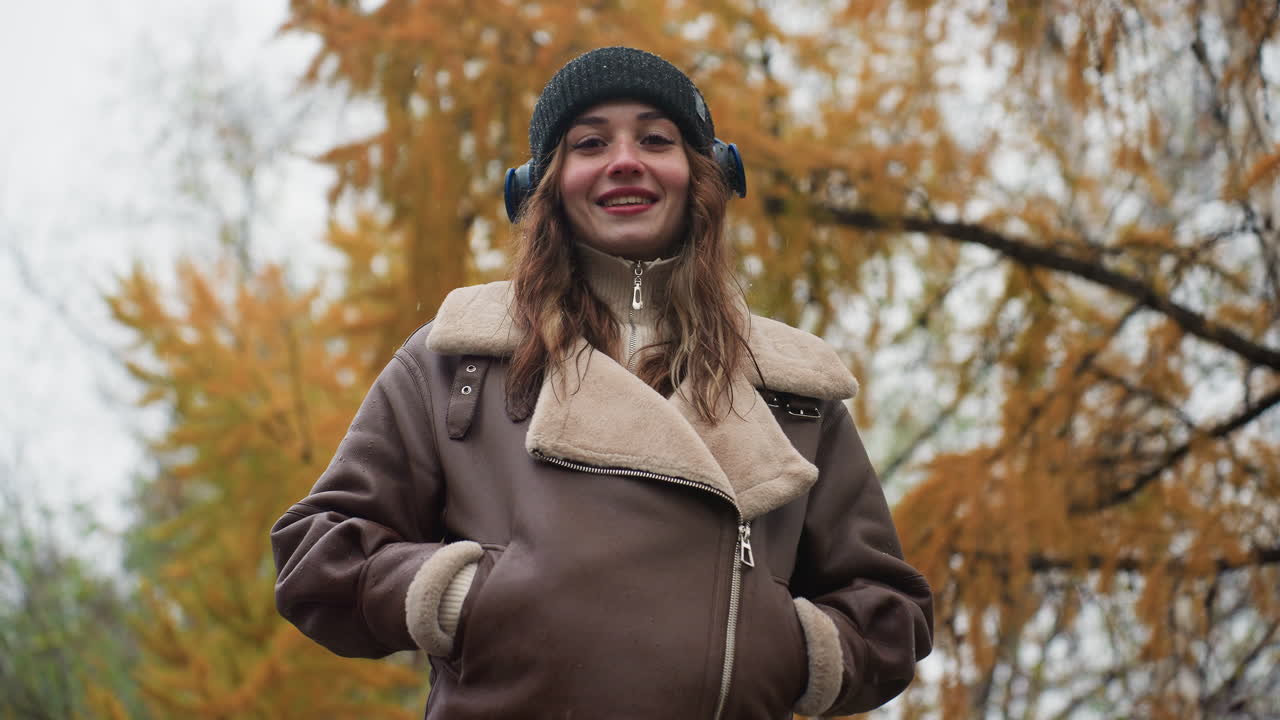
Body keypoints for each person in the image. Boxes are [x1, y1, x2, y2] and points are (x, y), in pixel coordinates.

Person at [272, 46, 933, 720]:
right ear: (545, 182)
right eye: (590, 143)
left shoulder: (791, 387)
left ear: (705, 174)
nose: (625, 160)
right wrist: (463, 598)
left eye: (655, 138)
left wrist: (788, 647)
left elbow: (890, 616)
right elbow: (317, 556)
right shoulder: (457, 359)